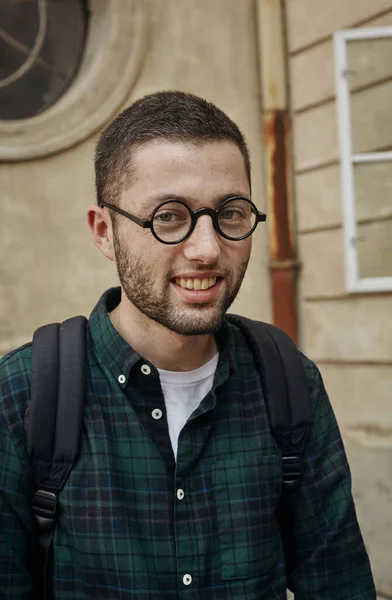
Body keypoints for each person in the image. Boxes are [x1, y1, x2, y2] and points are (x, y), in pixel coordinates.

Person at [0, 91, 375, 600]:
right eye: (169, 216)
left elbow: (338, 583)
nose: (206, 248)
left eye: (232, 212)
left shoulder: (289, 383)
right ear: (105, 231)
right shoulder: (23, 396)